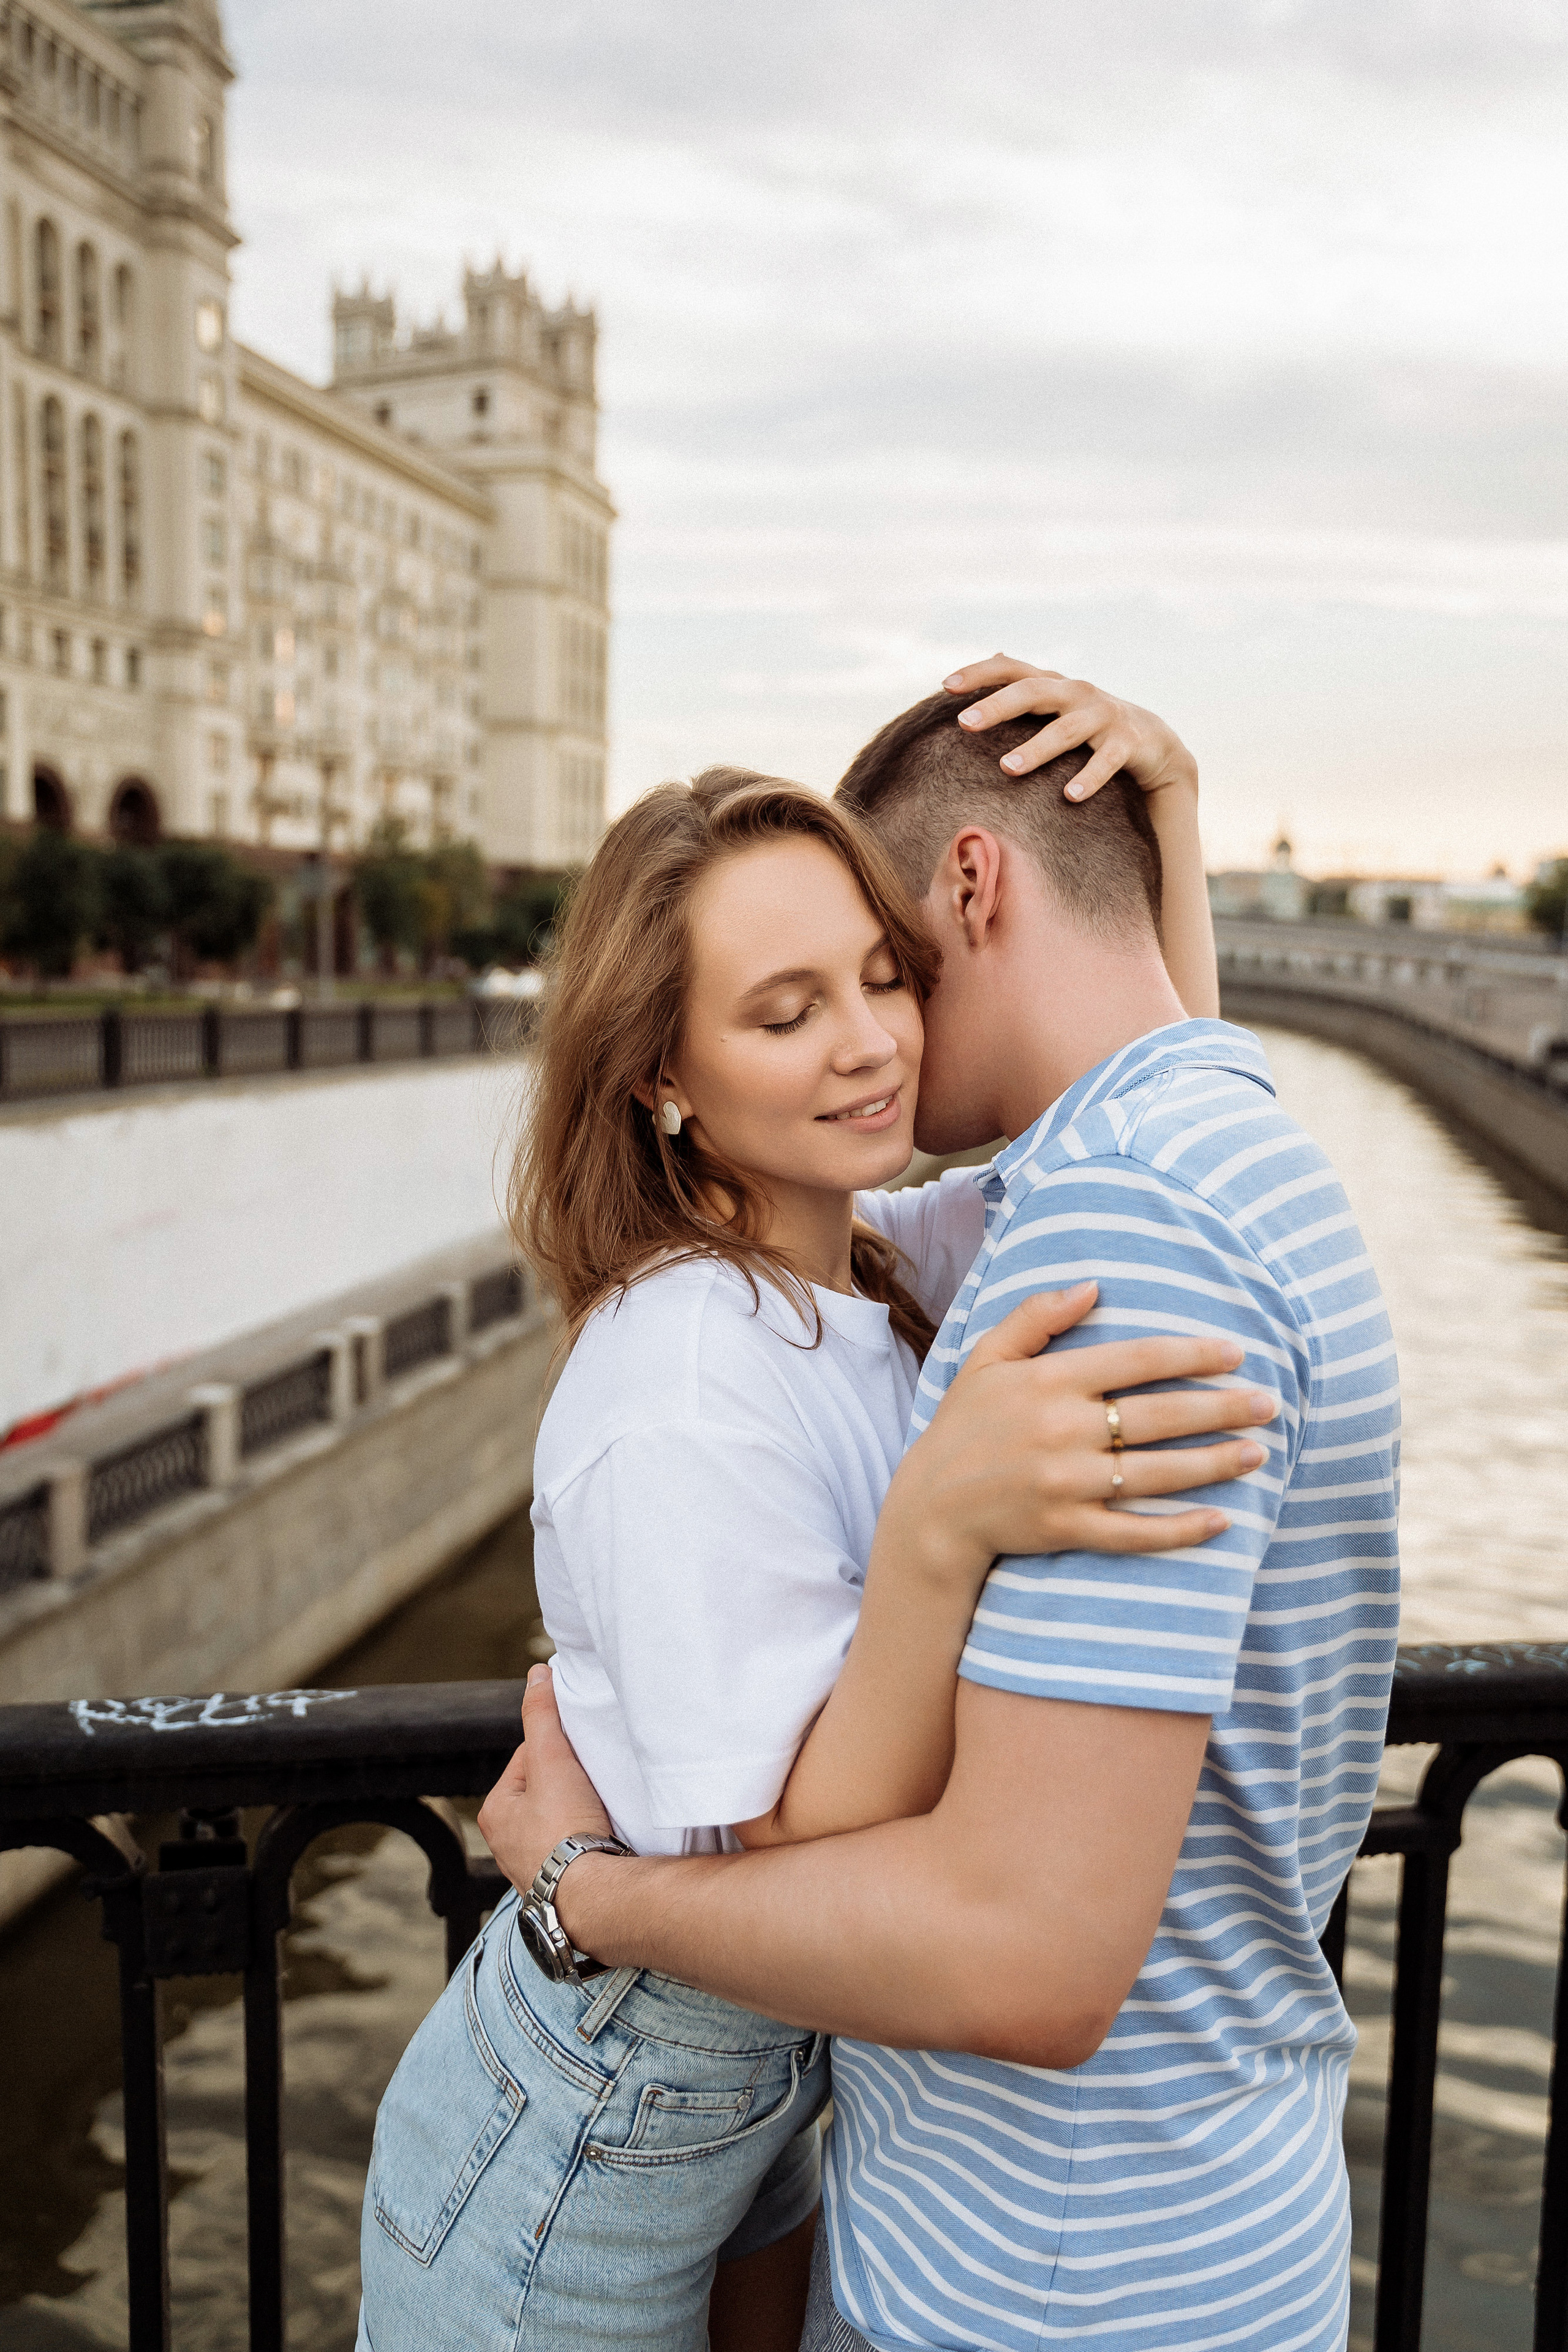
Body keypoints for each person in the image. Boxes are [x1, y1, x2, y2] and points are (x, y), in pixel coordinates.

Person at [480, 656, 1401, 2352]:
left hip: (1038, 2279)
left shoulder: (1057, 1232)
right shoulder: (1204, 1166)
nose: (873, 1043)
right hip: (1091, 2217)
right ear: (663, 1073)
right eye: (789, 1008)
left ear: (963, 894)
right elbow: (1153, 1080)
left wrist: (582, 1889)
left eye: (886, 975)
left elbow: (1016, 1957)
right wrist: (1154, 827)